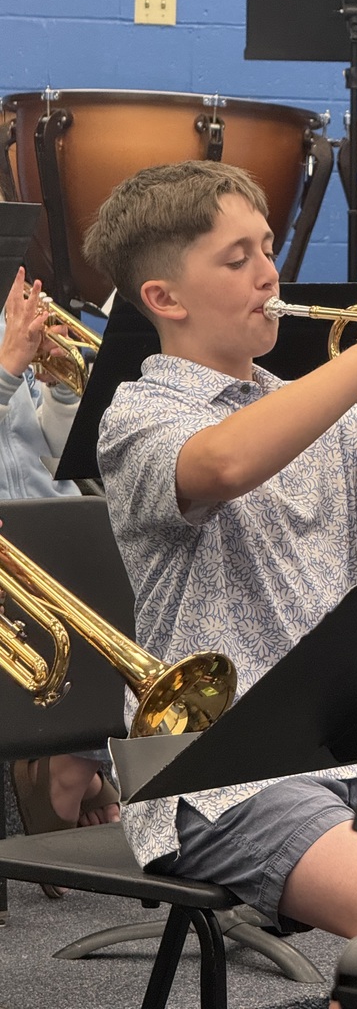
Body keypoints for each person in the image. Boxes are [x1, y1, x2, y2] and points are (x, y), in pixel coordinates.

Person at [81, 159, 357, 939]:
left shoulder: (318, 412)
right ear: (164, 298)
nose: (268, 273)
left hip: (350, 749)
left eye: (270, 248)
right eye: (236, 258)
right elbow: (224, 464)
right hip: (214, 777)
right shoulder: (137, 418)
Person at [0, 262, 120, 861]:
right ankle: (79, 769)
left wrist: (63, 384)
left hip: (58, 512)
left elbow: (59, 449)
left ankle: (77, 760)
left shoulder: (5, 317)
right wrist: (7, 369)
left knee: (151, 564)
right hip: (7, 534)